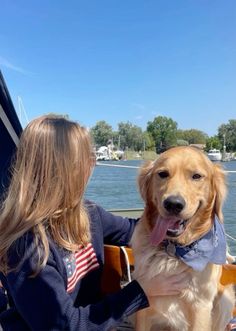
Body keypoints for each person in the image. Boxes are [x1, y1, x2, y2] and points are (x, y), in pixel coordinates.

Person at [0, 115, 190, 331]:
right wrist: (141, 291)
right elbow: (65, 326)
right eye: (87, 158)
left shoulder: (87, 214)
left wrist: (184, 224)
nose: (94, 164)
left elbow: (133, 230)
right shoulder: (26, 247)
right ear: (63, 170)